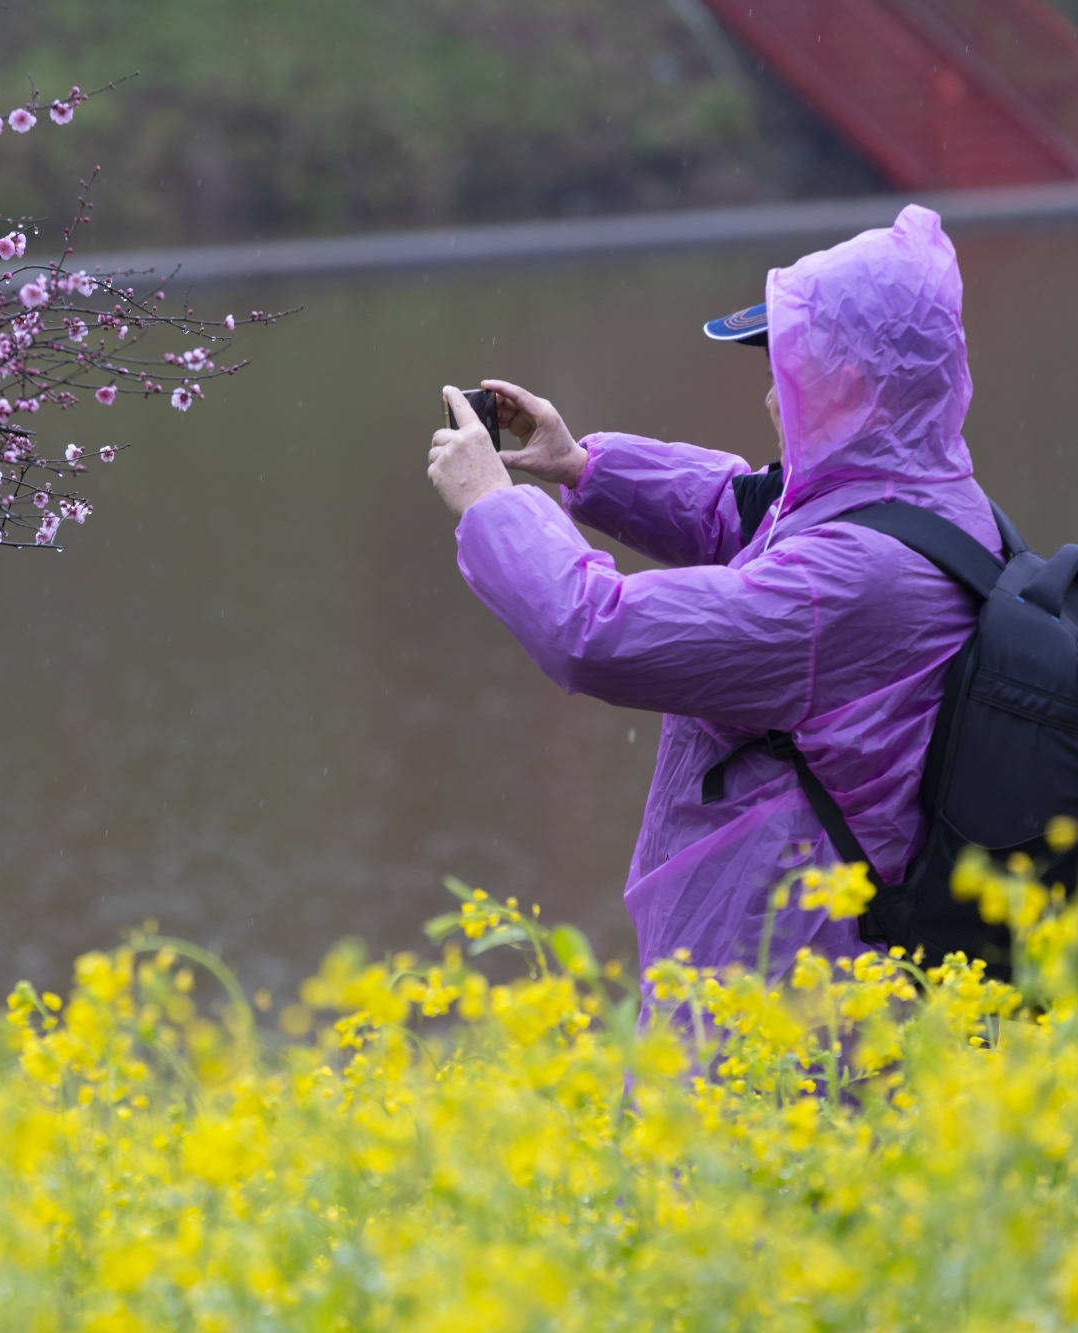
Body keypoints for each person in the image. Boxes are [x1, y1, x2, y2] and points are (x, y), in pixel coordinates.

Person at [425, 204, 998, 998]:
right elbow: (747, 509)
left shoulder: (841, 584)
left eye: (786, 371)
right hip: (817, 964)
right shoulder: (933, 496)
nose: (771, 397)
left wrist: (492, 503)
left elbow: (599, 633)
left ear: (849, 387)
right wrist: (584, 465)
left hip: (784, 996)